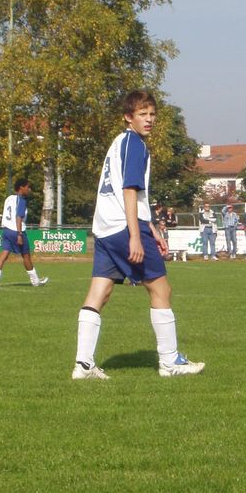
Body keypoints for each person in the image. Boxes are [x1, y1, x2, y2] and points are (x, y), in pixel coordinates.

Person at [72, 90, 204, 380]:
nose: (149, 119)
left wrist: (152, 228)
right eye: (142, 114)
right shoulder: (135, 145)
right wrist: (136, 235)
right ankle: (170, 362)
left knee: (99, 291)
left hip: (104, 228)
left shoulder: (118, 142)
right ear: (128, 117)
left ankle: (83, 365)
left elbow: (130, 192)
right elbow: (129, 190)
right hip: (124, 226)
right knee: (161, 289)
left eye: (152, 114)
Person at [0, 178, 49, 287]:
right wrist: (19, 234)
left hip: (6, 230)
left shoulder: (9, 198)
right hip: (16, 231)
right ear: (21, 187)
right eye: (27, 187)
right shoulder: (21, 200)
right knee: (26, 256)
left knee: (4, 254)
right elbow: (18, 217)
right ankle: (35, 281)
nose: (29, 189)